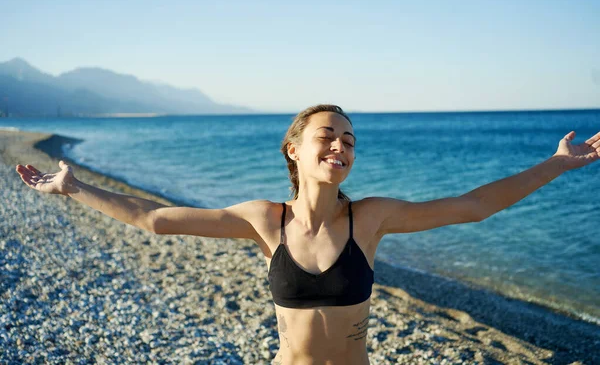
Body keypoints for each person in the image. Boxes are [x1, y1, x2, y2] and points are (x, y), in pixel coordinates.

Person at [15, 104, 600, 364]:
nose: (341, 145)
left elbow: (474, 206)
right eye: (328, 135)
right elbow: (154, 219)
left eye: (350, 139)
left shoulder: (368, 218)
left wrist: (556, 163)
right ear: (294, 149)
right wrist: (73, 188)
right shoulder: (263, 220)